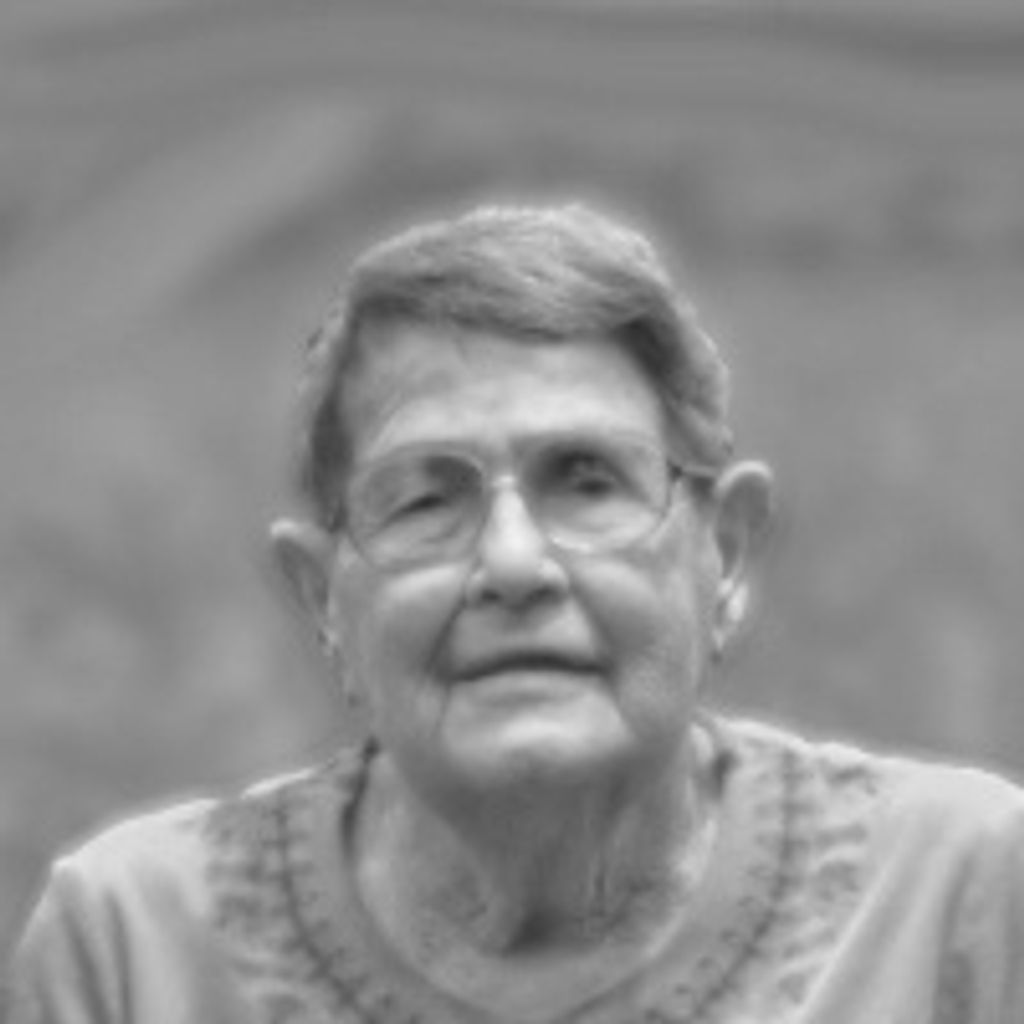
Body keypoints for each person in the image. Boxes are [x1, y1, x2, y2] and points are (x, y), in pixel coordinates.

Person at [7, 203, 1024, 1024]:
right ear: (323, 597)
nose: (512, 563)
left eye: (586, 481)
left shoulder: (958, 895)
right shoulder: (134, 945)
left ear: (725, 552)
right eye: (424, 500)